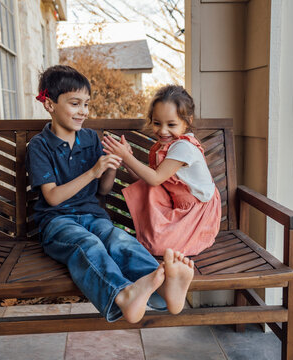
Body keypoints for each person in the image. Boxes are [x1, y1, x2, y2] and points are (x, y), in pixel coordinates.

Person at [26, 65, 194, 323]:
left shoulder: (91, 139)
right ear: (50, 105)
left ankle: (165, 285)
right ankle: (123, 295)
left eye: (86, 104)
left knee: (118, 239)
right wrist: (93, 171)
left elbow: (103, 190)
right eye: (75, 103)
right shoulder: (39, 146)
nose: (83, 111)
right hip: (57, 223)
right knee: (88, 245)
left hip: (93, 216)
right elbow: (53, 198)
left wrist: (112, 163)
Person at [102, 85, 221, 256]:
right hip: (178, 206)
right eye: (157, 123)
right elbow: (145, 181)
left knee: (159, 247)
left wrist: (127, 157)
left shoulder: (183, 147)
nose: (163, 130)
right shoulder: (167, 146)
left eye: (171, 124)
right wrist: (126, 158)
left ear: (188, 121)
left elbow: (155, 179)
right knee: (148, 191)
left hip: (197, 214)